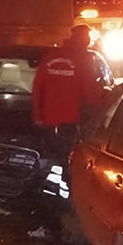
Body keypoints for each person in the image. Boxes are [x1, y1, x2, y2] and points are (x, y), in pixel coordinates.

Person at [32, 24, 103, 154]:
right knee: (68, 155)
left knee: (50, 154)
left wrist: (37, 115)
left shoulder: (50, 56)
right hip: (72, 120)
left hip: (48, 118)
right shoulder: (83, 60)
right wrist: (101, 109)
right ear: (84, 39)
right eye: (87, 36)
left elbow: (37, 87)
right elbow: (90, 92)